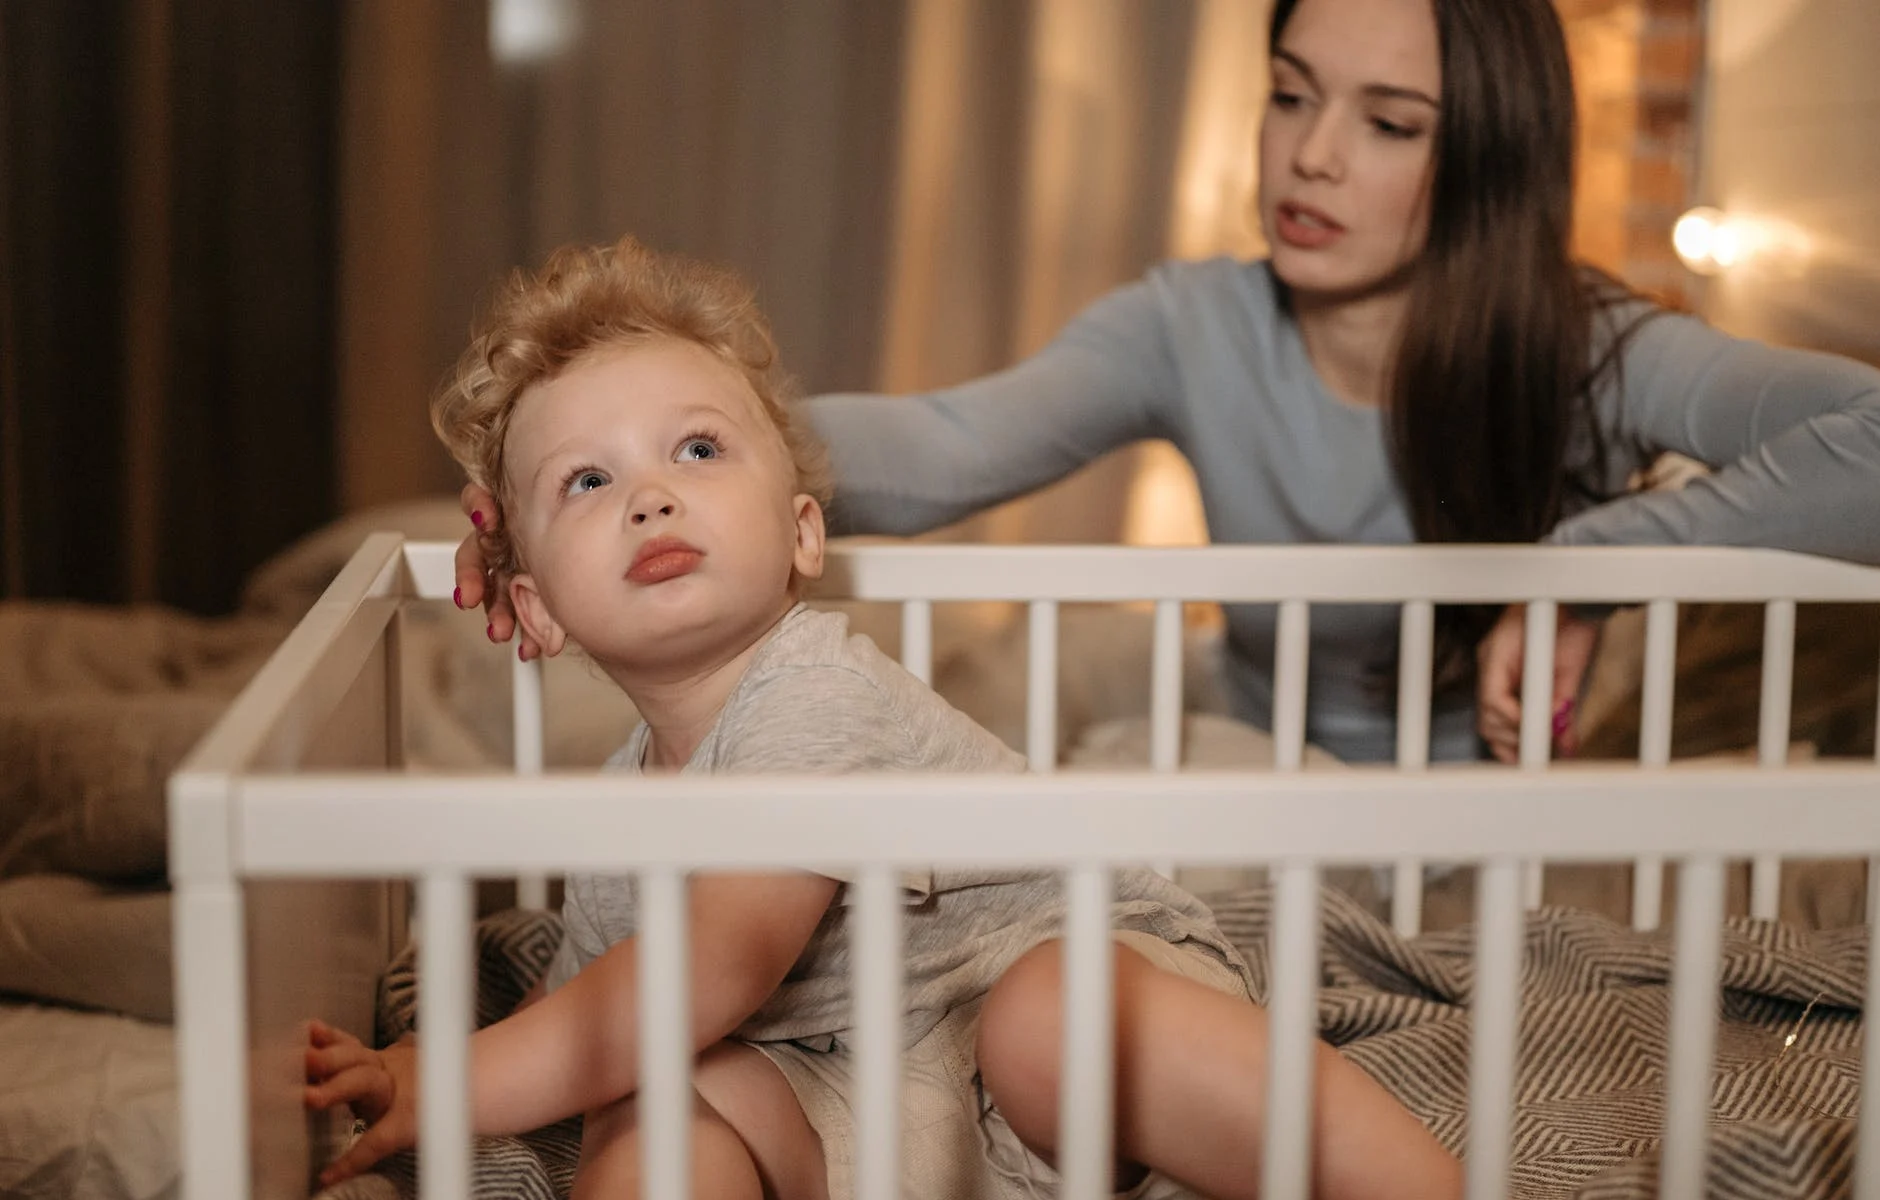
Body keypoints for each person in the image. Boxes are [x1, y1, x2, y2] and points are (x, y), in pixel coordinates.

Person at [304, 236, 1567, 1200]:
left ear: (802, 532)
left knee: (1041, 1018)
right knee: (664, 1088)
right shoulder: (622, 808)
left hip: (1069, 993)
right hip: (886, 1104)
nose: (650, 492)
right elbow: (608, 1023)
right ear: (531, 606)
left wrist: (455, 1079)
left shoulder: (814, 689)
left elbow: (710, 965)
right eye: (586, 481)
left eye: (696, 448)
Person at [453, 0, 1880, 768]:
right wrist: (635, 458)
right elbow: (948, 442)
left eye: (1386, 123)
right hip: (1233, 753)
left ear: (1488, 161)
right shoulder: (1194, 323)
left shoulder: (1589, 348)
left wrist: (1587, 564)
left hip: (1456, 834)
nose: (1309, 155)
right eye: (1287, 90)